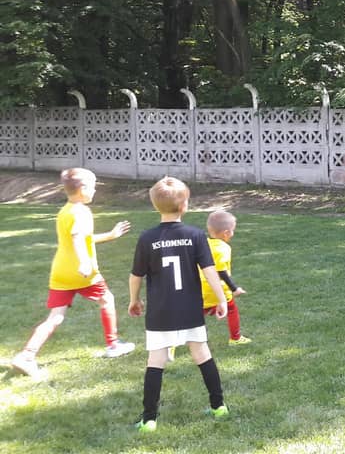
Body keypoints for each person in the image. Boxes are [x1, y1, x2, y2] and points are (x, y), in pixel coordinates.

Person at [10, 168, 135, 381]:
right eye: (93, 187)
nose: (94, 191)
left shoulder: (65, 211)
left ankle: (27, 355)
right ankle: (113, 344)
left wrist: (110, 235)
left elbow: (83, 237)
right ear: (82, 188)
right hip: (82, 273)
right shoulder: (82, 212)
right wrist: (85, 262)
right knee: (107, 299)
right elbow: (77, 237)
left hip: (61, 272)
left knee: (55, 317)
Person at [129, 177, 230, 433]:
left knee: (156, 360)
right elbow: (210, 271)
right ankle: (219, 406)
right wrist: (221, 299)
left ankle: (149, 420)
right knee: (202, 354)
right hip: (189, 309)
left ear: (155, 206)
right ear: (185, 206)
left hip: (160, 311)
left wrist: (134, 299)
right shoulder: (195, 235)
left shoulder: (147, 238)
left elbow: (136, 275)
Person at [200, 210, 251, 345]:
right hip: (220, 290)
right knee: (232, 309)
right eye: (232, 231)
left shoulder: (204, 244)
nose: (233, 233)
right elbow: (221, 271)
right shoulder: (223, 248)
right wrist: (234, 288)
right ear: (226, 233)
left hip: (201, 289)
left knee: (197, 316)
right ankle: (235, 338)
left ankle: (196, 340)